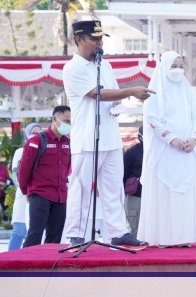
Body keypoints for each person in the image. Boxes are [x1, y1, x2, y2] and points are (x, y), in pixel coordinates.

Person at [62, 20, 151, 247]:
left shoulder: (105, 66)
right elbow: (97, 93)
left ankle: (117, 232)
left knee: (113, 189)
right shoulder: (73, 68)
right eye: (95, 38)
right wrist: (131, 91)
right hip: (87, 140)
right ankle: (76, 234)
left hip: (110, 137)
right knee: (81, 191)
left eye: (101, 38)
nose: (100, 43)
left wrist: (119, 104)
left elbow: (113, 96)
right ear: (79, 40)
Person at [138, 51, 196, 247]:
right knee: (165, 196)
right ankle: (164, 238)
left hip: (188, 152)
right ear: (164, 68)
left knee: (185, 196)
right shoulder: (155, 92)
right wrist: (172, 139)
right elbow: (153, 119)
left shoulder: (188, 91)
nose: (177, 70)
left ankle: (185, 237)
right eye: (173, 66)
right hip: (165, 152)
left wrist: (194, 138)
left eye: (180, 66)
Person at [19, 106, 71, 247]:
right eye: (66, 120)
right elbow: (23, 170)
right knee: (35, 235)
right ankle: (25, 267)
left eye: (71, 121)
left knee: (55, 240)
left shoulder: (69, 143)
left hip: (61, 197)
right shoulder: (36, 141)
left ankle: (49, 269)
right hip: (40, 195)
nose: (69, 124)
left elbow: (68, 169)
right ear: (54, 119)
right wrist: (26, 192)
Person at [7, 123, 42, 250]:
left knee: (33, 234)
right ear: (27, 134)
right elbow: (16, 175)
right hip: (24, 197)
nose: (36, 135)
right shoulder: (20, 151)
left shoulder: (43, 152)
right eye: (33, 133)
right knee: (19, 232)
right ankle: (8, 263)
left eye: (39, 133)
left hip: (39, 197)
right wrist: (26, 190)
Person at [123, 126, 143, 238]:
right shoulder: (131, 152)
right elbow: (124, 174)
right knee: (135, 228)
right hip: (135, 195)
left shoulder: (159, 152)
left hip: (155, 196)